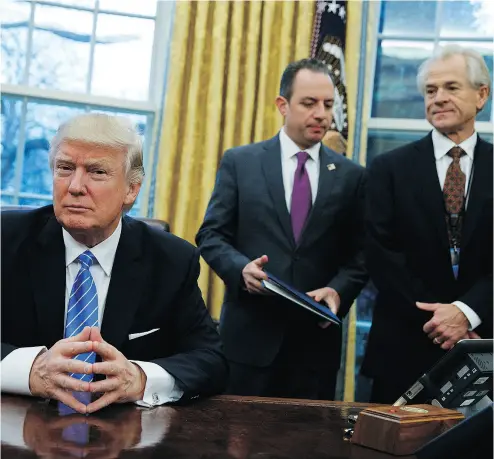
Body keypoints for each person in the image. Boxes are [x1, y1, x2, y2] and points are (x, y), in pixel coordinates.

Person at [1, 113, 228, 414]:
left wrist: (140, 378)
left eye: (96, 172)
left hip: (122, 436)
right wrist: (28, 370)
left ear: (132, 190)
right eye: (65, 168)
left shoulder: (171, 260)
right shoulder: (6, 240)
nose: (75, 186)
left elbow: (211, 359)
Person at [196, 58, 367, 400]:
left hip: (314, 349)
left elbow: (361, 255)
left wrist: (337, 291)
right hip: (248, 343)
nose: (321, 114)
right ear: (282, 105)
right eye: (309, 103)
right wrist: (240, 269)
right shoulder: (241, 162)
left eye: (328, 105)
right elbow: (211, 235)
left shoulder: (352, 176)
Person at [361, 45, 493, 403]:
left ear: (482, 95)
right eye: (431, 91)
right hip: (404, 348)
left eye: (451, 87)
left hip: (483, 347)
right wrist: (443, 322)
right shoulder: (388, 169)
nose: (438, 98)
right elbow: (381, 254)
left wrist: (466, 313)